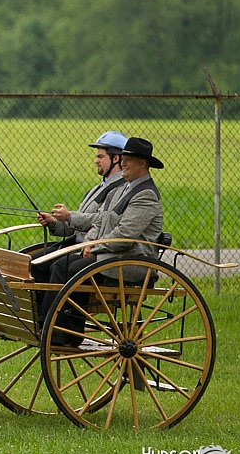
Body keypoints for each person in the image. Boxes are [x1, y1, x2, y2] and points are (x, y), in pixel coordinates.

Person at [38, 137, 165, 345]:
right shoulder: (126, 188)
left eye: (128, 159)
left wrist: (96, 247)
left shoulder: (146, 195)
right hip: (114, 254)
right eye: (122, 158)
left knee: (68, 267)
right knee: (61, 264)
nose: (123, 162)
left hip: (133, 261)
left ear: (143, 163)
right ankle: (51, 326)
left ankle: (60, 331)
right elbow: (104, 220)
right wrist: (91, 242)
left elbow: (125, 234)